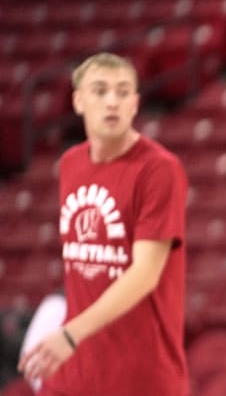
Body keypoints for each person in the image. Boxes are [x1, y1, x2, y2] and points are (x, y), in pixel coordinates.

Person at [17, 53, 189, 396]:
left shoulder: (159, 170)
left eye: (123, 92)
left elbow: (144, 274)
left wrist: (70, 334)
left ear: (135, 104)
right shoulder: (70, 164)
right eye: (100, 90)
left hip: (140, 377)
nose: (113, 101)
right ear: (78, 101)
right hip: (74, 373)